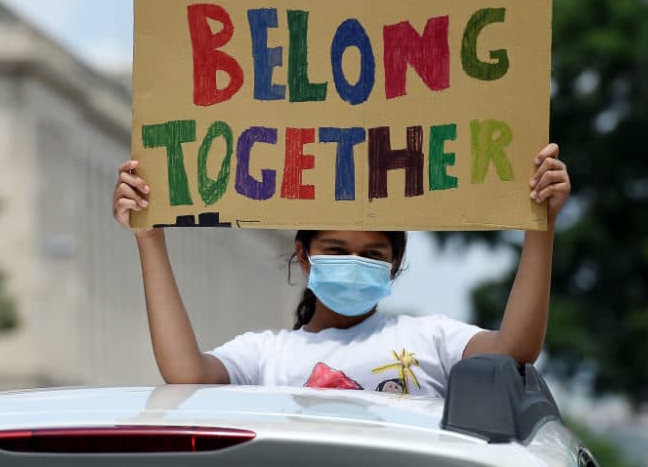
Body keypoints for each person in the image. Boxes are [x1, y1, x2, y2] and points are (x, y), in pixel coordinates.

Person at [112, 143, 569, 397]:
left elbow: (513, 351)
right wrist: (149, 239)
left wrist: (541, 227)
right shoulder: (267, 355)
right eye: (335, 248)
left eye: (372, 254)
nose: (353, 262)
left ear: (395, 266)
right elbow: (186, 374)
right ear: (304, 254)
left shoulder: (428, 339)